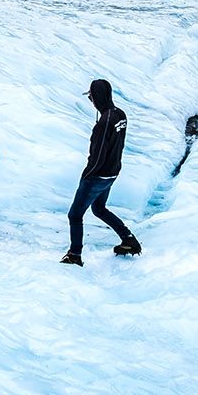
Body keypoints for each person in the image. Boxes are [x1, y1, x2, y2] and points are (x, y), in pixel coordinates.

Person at [61, 78, 139, 266]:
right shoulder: (120, 114)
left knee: (75, 215)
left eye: (91, 97)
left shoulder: (104, 123)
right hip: (112, 173)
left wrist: (88, 175)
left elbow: (98, 154)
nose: (91, 101)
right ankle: (128, 239)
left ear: (97, 97)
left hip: (98, 176)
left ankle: (74, 255)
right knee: (99, 209)